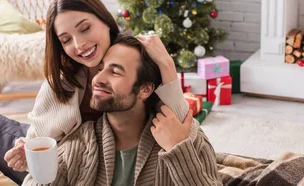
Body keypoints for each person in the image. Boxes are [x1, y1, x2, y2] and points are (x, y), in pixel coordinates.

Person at [4, 0, 188, 172]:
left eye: (85, 28)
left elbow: (182, 127)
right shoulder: (62, 82)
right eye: (66, 40)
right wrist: (25, 153)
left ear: (105, 21)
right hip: (69, 169)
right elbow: (39, 144)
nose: (79, 44)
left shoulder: (136, 59)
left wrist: (166, 64)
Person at [22, 34, 221, 185]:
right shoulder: (80, 145)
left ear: (145, 89)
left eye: (115, 71)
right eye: (100, 69)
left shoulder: (187, 139)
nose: (98, 79)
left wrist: (178, 151)